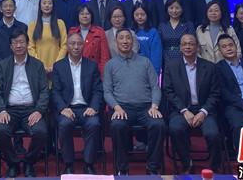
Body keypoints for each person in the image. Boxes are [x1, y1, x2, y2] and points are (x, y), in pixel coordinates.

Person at [104, 28, 165, 175]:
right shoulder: (110, 65)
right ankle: (122, 168)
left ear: (133, 41)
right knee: (117, 126)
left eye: (128, 38)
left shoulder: (145, 62)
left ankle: (152, 168)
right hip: (122, 108)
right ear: (116, 42)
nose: (125, 41)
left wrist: (154, 106)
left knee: (158, 124)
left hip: (146, 108)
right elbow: (107, 92)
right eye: (121, 38)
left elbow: (155, 87)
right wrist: (116, 107)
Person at [0, 29, 49, 178]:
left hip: (31, 110)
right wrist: (1, 110)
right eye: (15, 43)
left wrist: (39, 110)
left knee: (41, 132)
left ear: (27, 44)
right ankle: (13, 163)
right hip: (9, 110)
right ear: (10, 46)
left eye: (21, 42)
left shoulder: (37, 65)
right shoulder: (3, 65)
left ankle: (29, 162)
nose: (18, 45)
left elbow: (44, 91)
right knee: (0, 130)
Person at [163, 34, 222, 173]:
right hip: (181, 110)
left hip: (205, 110)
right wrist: (184, 110)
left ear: (197, 47)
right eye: (184, 44)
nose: (188, 47)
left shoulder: (209, 67)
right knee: (175, 129)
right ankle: (186, 163)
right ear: (180, 47)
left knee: (213, 134)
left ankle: (214, 168)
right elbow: (168, 91)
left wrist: (203, 112)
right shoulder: (171, 66)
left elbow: (215, 93)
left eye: (191, 44)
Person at [52, 32, 103, 174]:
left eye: (79, 44)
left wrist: (93, 107)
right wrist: (63, 108)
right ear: (67, 46)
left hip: (87, 108)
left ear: (83, 46)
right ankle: (68, 163)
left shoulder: (91, 66)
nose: (76, 47)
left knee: (94, 124)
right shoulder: (59, 66)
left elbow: (98, 90)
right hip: (67, 108)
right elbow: (55, 91)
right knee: (64, 124)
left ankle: (89, 163)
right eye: (72, 44)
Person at [27, 0, 67, 74]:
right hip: (37, 68)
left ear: (53, 6)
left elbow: (64, 45)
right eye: (44, 3)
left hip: (57, 67)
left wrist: (56, 64)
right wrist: (40, 65)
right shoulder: (32, 25)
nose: (47, 5)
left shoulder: (60, 23)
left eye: (49, 3)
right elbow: (30, 47)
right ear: (40, 6)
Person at [68, 5, 110, 76]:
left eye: (87, 14)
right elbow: (69, 54)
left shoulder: (99, 32)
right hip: (75, 70)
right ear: (78, 16)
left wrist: (102, 76)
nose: (85, 16)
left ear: (91, 16)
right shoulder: (72, 32)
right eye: (82, 14)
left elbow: (104, 57)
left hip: (94, 72)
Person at [0, 0, 28, 69]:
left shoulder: (23, 27)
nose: (8, 9)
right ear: (1, 9)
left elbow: (25, 47)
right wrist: (3, 64)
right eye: (5, 6)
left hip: (19, 66)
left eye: (11, 6)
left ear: (15, 8)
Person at [158, 0, 196, 67]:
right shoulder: (162, 25)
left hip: (185, 58)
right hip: (166, 59)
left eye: (177, 8)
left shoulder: (188, 25)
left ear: (182, 9)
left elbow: (192, 44)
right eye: (171, 8)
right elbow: (159, 45)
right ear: (167, 9)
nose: (174, 11)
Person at [131, 3, 162, 75]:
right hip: (132, 71)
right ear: (133, 16)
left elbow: (156, 56)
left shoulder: (153, 32)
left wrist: (154, 74)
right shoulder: (130, 32)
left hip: (148, 71)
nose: (139, 17)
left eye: (142, 14)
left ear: (147, 15)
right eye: (137, 14)